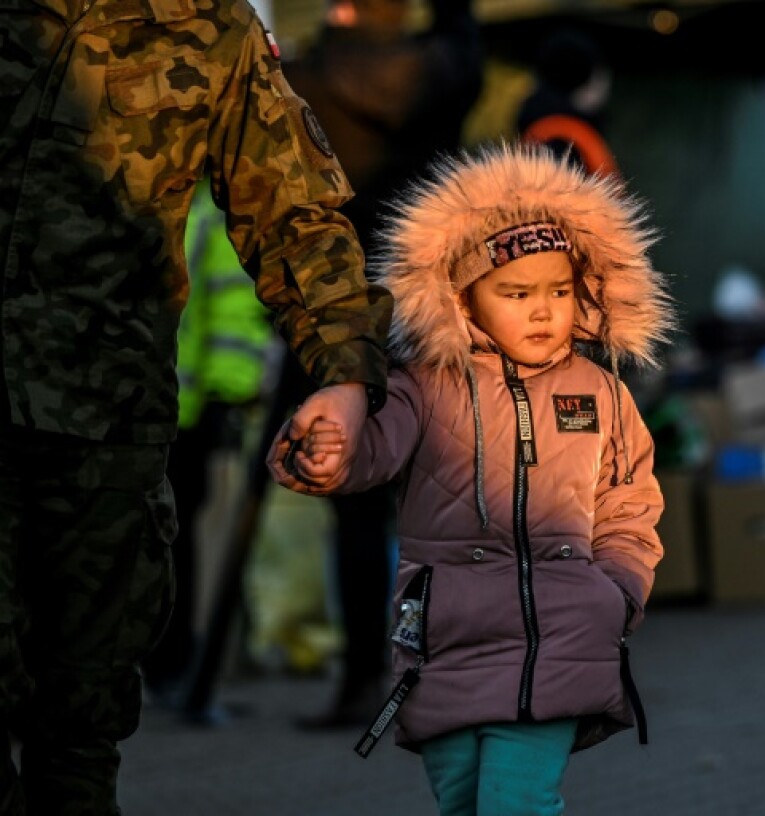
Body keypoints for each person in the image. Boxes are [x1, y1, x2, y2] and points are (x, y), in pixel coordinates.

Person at [0, 1, 391, 813]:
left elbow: (294, 215)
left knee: (77, 734)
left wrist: (345, 376)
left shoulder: (210, 31)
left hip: (103, 436)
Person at [267, 142, 674, 815]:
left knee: (516, 803)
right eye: (516, 293)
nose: (543, 311)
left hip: (561, 633)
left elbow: (630, 500)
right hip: (447, 641)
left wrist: (618, 589)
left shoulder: (599, 390)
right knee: (462, 803)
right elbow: (373, 453)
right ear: (462, 299)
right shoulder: (423, 387)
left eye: (560, 291)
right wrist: (327, 449)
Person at [280, 0, 484, 729]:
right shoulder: (444, 71)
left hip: (339, 313)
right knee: (452, 498)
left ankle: (362, 680)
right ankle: (463, 674)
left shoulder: (302, 78)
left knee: (356, 510)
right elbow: (465, 27)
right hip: (430, 304)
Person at [142, 181, 275, 705]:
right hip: (140, 408)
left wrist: (231, 390)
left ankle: (172, 665)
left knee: (175, 542)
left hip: (186, 412)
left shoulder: (206, 208)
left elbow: (232, 301)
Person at [516, 25, 620, 178]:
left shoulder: (537, 129)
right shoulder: (564, 142)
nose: (606, 85)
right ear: (587, 82)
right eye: (600, 75)